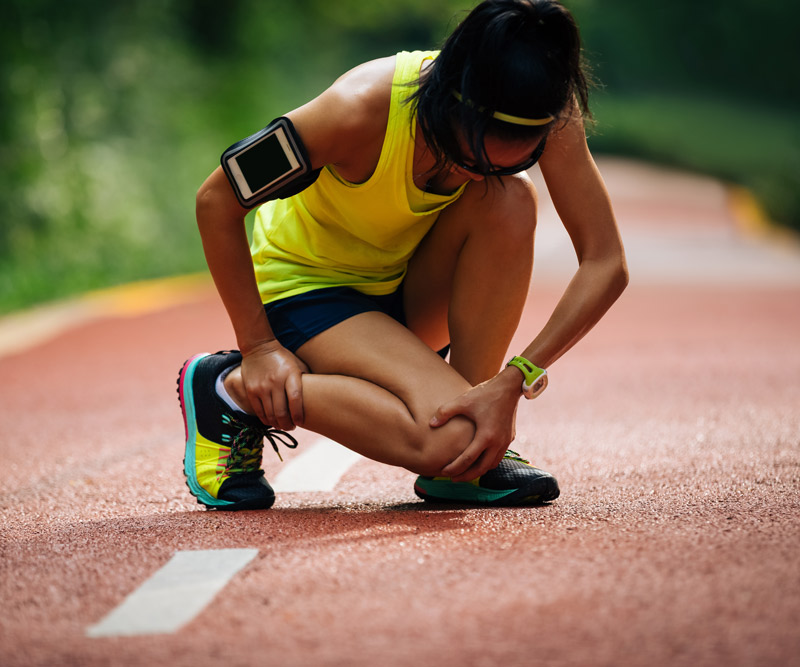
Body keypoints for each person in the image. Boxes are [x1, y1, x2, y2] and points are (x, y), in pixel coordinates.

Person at [179, 0, 628, 510]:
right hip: (306, 290)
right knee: (453, 440)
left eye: (516, 158)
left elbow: (605, 261)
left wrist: (510, 381)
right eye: (467, 157)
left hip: (402, 288)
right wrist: (259, 346)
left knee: (510, 198)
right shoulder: (355, 109)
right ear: (450, 101)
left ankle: (467, 447)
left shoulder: (541, 108)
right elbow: (216, 199)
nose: (474, 176)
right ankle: (230, 390)